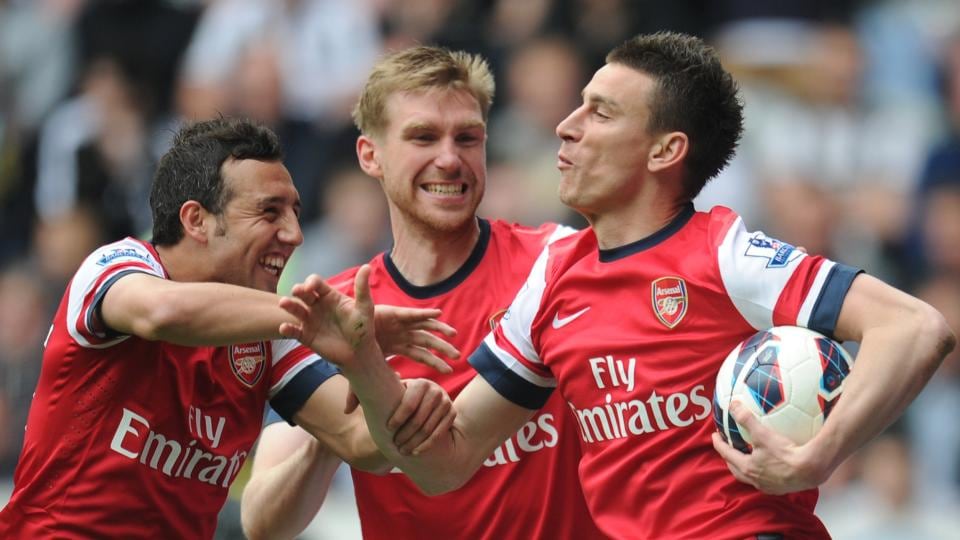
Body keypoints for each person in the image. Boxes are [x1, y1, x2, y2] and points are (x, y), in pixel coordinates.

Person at [280, 32, 957, 539]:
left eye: (600, 113)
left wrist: (818, 454)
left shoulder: (725, 251)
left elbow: (915, 328)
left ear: (664, 150)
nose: (565, 126)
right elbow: (443, 464)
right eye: (577, 106)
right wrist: (365, 360)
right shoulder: (553, 280)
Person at [0, 117, 458, 539]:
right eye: (270, 212)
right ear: (196, 220)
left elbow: (363, 444)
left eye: (295, 212)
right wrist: (309, 323)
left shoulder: (269, 336)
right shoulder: (116, 267)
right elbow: (162, 314)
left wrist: (365, 365)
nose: (295, 233)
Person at [240, 46, 605, 540]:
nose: (450, 159)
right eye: (423, 137)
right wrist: (336, 429)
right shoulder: (332, 310)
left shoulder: (556, 266)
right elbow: (263, 524)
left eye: (467, 138)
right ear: (370, 155)